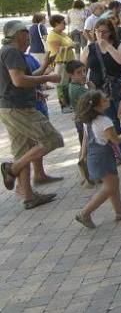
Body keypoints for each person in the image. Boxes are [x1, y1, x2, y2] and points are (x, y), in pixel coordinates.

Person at [1, 30, 62, 208]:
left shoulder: (8, 52)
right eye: (25, 35)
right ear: (16, 36)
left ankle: (28, 197)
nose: (29, 38)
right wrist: (48, 77)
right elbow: (19, 81)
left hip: (9, 108)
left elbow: (19, 80)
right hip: (19, 108)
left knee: (23, 150)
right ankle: (11, 168)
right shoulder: (11, 51)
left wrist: (43, 67)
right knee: (53, 139)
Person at [73, 90, 121, 228]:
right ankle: (85, 213)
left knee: (113, 183)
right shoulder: (104, 121)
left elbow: (85, 138)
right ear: (97, 106)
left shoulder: (88, 121)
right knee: (110, 187)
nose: (107, 99)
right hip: (103, 156)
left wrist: (83, 155)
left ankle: (119, 212)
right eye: (104, 100)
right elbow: (116, 140)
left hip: (93, 156)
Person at [81, 19, 121, 129]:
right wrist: (86, 82)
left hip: (118, 89)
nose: (101, 34)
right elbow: (81, 68)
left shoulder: (119, 45)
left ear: (111, 32)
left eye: (104, 31)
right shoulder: (89, 48)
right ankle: (116, 145)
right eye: (98, 31)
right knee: (110, 122)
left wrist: (107, 46)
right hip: (99, 91)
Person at [46, 14, 76, 113]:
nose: (65, 24)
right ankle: (64, 105)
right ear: (56, 24)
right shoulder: (52, 36)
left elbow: (69, 43)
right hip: (61, 63)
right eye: (63, 23)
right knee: (62, 85)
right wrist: (71, 46)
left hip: (70, 62)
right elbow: (57, 51)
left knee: (70, 84)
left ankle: (71, 103)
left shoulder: (63, 33)